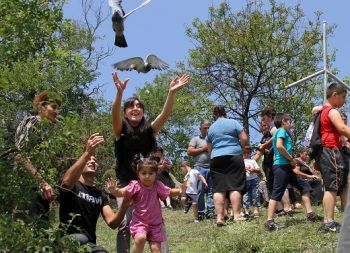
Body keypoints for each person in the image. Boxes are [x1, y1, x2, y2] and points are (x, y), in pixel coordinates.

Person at [111, 71, 189, 252]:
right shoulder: (120, 130)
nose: (135, 108)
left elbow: (165, 113)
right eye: (130, 106)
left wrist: (171, 93)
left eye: (139, 106)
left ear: (143, 112)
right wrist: (119, 93)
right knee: (124, 222)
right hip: (126, 183)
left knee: (157, 223)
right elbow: (114, 114)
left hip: (150, 183)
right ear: (125, 112)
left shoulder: (149, 131)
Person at [59, 133, 129, 252]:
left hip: (89, 245)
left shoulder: (100, 195)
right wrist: (87, 152)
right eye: (88, 160)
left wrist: (124, 206)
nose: (92, 162)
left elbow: (112, 223)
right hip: (67, 242)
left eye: (94, 160)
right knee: (80, 238)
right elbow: (65, 184)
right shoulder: (73, 185)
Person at [106, 158, 182, 253]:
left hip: (155, 224)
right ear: (138, 174)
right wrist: (114, 191)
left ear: (156, 174)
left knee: (156, 249)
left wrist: (180, 190)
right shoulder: (135, 185)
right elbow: (122, 192)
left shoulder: (158, 185)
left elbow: (170, 192)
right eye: (144, 173)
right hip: (139, 222)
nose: (147, 176)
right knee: (140, 238)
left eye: (151, 173)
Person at [265, 113, 317, 231]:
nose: (291, 123)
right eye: (290, 121)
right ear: (284, 121)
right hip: (281, 166)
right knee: (277, 192)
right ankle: (270, 221)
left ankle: (310, 214)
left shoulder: (280, 132)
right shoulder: (282, 131)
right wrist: (291, 159)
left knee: (304, 186)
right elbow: (279, 146)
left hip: (286, 167)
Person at [14, 91, 61, 220]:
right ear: (41, 107)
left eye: (58, 109)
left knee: (41, 232)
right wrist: (42, 182)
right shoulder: (33, 122)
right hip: (27, 187)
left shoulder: (47, 129)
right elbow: (20, 155)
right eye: (53, 107)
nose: (57, 112)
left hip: (40, 188)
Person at [315, 82, 350, 232]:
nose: (343, 101)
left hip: (327, 150)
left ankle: (329, 221)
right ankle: (329, 222)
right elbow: (342, 128)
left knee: (332, 186)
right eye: (342, 97)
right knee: (332, 187)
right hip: (331, 150)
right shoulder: (332, 111)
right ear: (334, 95)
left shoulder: (323, 110)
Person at [206, 105, 248, 225]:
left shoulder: (211, 129)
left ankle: (219, 217)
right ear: (225, 113)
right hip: (234, 156)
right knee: (235, 186)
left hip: (216, 158)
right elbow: (244, 138)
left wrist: (215, 154)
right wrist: (240, 148)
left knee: (218, 188)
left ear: (215, 115)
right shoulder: (233, 122)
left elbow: (209, 149)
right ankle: (236, 215)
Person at [187, 120, 214, 219]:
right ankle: (201, 212)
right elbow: (189, 151)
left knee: (212, 190)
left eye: (208, 128)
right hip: (199, 167)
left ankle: (210, 211)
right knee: (200, 190)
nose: (207, 130)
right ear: (200, 128)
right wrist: (203, 149)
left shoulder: (212, 139)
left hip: (212, 167)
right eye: (205, 128)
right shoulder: (195, 139)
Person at [242, 145, 261, 218]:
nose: (246, 154)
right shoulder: (241, 161)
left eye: (248, 153)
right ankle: (246, 211)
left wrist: (253, 170)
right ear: (242, 153)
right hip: (245, 180)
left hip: (254, 180)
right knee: (245, 196)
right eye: (244, 153)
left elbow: (259, 170)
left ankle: (256, 210)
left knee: (255, 194)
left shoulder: (252, 161)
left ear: (250, 153)